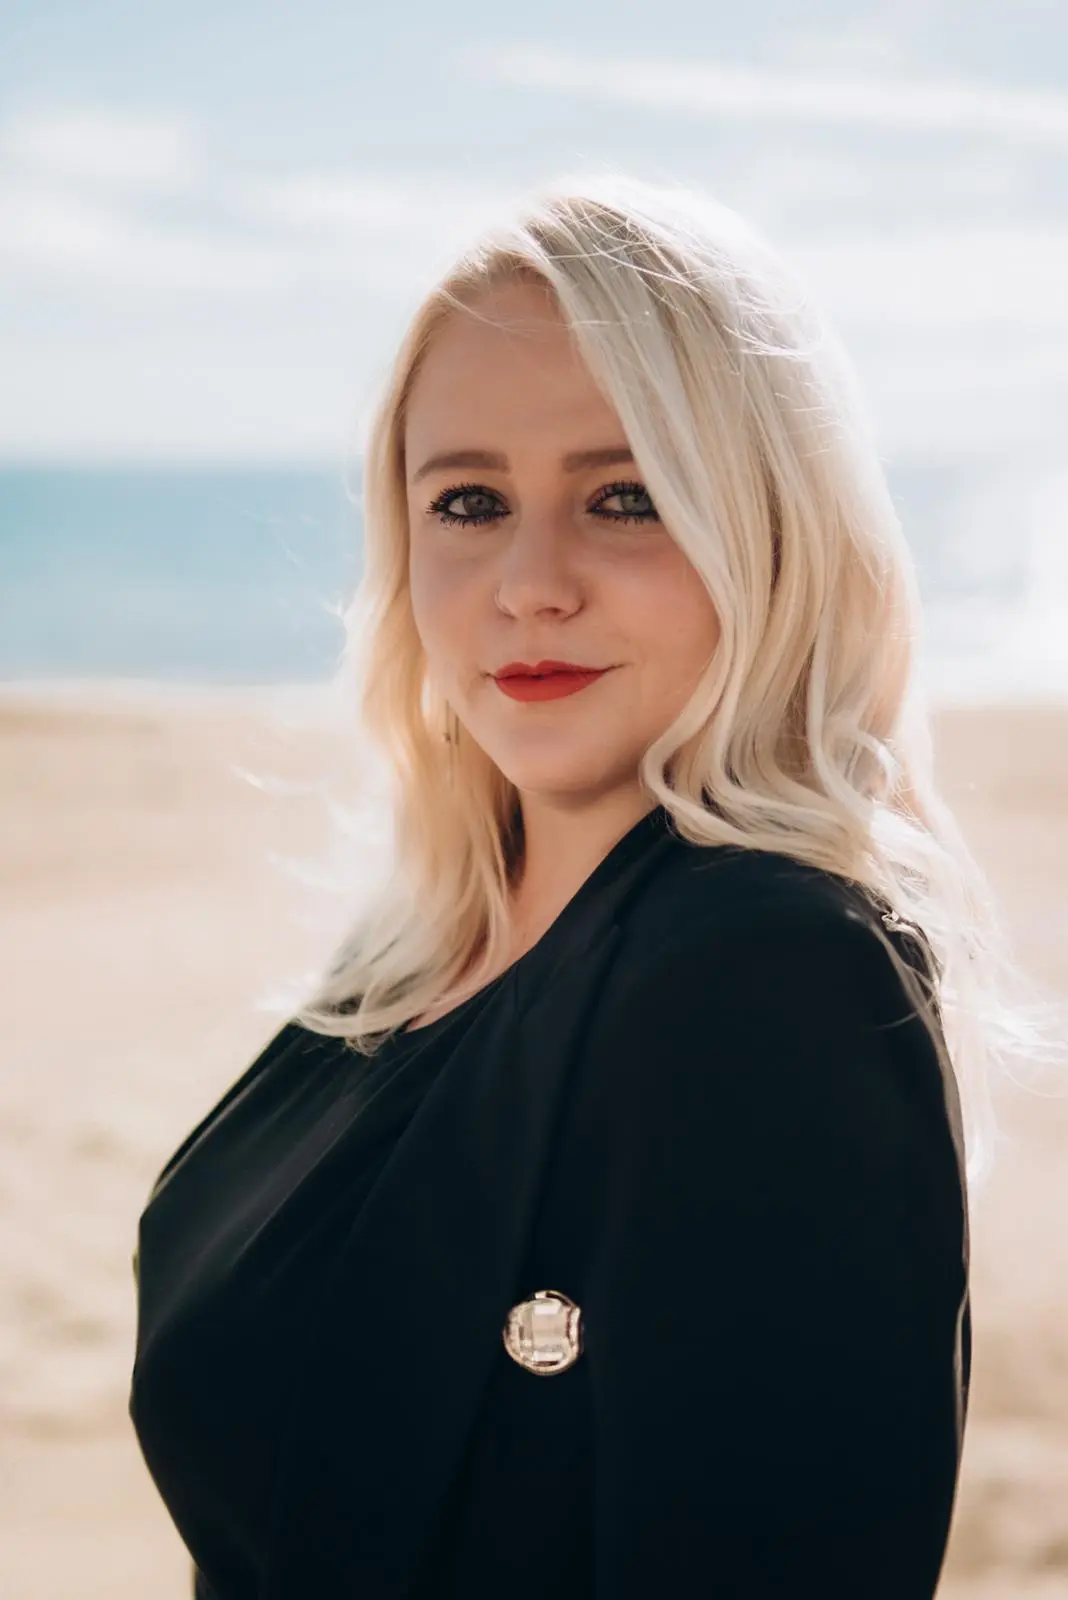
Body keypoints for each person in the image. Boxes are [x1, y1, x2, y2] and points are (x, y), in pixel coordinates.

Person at [128, 173, 1030, 1598]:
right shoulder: (417, 949)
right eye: (470, 501)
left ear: (771, 535)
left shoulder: (768, 978)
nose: (530, 583)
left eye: (626, 498)